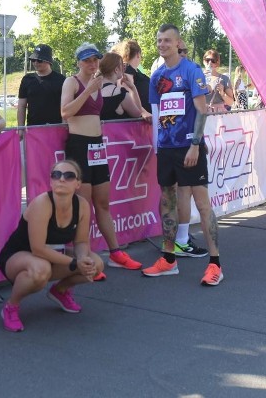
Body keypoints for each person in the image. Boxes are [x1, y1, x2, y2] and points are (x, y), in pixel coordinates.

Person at [146, 24, 222, 285]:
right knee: (167, 201)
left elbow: (202, 110)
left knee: (202, 204)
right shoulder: (156, 77)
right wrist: (158, 146)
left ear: (178, 43)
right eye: (159, 40)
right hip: (166, 148)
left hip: (189, 146)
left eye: (167, 40)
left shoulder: (191, 70)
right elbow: (157, 114)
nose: (162, 44)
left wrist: (195, 144)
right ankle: (169, 260)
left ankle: (215, 264)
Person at [61, 42, 141, 274]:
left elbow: (122, 108)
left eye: (95, 59)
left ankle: (115, 252)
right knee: (83, 207)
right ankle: (84, 260)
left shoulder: (99, 85)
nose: (92, 64)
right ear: (78, 62)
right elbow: (65, 112)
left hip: (97, 147)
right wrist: (87, 91)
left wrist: (130, 92)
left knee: (103, 204)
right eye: (87, 60)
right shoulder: (71, 82)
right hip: (78, 146)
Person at [0, 160, 103, 332]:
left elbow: (81, 242)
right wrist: (75, 263)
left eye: (68, 176)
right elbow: (38, 249)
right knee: (41, 269)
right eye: (56, 175)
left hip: (53, 256)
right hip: (18, 257)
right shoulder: (41, 204)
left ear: (78, 184)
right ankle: (11, 307)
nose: (61, 179)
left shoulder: (82, 205)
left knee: (96, 264)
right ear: (51, 181)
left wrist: (83, 258)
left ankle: (60, 291)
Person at [16, 44, 66, 127]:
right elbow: (21, 106)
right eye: (33, 60)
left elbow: (65, 106)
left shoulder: (61, 80)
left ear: (49, 61)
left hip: (55, 128)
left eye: (39, 60)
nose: (35, 63)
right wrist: (21, 128)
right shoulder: (27, 79)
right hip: (33, 129)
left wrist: (64, 126)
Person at [98, 52, 151, 122]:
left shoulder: (94, 91)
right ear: (116, 70)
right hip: (117, 132)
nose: (124, 68)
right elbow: (138, 113)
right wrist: (133, 89)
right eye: (122, 65)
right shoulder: (120, 93)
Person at [111, 39, 151, 112]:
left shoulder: (132, 71)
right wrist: (143, 112)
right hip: (138, 119)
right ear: (138, 54)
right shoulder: (126, 70)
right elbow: (126, 94)